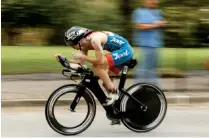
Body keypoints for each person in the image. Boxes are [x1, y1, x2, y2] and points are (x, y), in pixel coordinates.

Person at [55, 26, 134, 125]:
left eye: (72, 43)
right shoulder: (83, 45)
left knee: (96, 67)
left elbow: (99, 61)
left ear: (79, 39)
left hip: (125, 50)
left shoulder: (94, 40)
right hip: (117, 52)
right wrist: (65, 61)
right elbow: (81, 65)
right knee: (105, 84)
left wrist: (84, 56)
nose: (72, 47)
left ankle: (114, 93)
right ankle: (115, 111)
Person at [131, 0, 167, 88]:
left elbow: (162, 25)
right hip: (145, 44)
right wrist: (156, 25)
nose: (154, 2)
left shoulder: (158, 13)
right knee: (143, 68)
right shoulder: (139, 12)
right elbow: (140, 26)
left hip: (156, 44)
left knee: (153, 68)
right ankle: (138, 87)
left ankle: (154, 87)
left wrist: (162, 24)